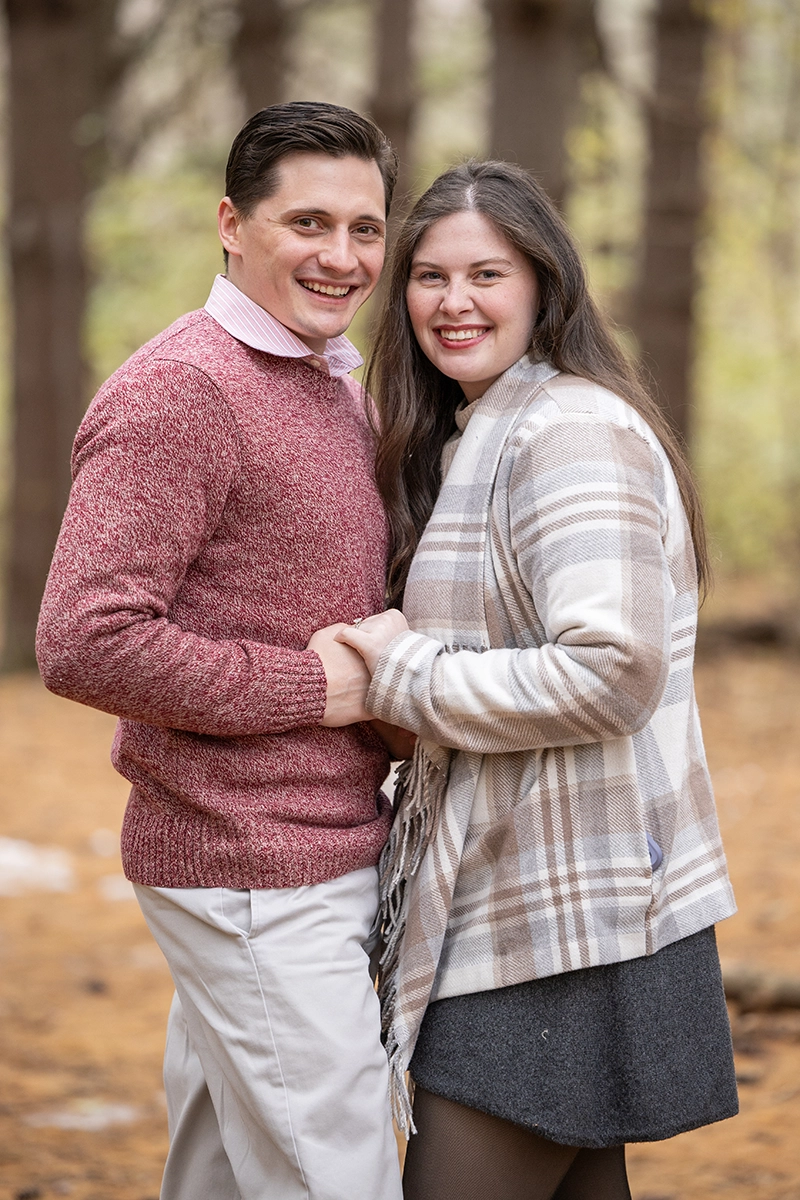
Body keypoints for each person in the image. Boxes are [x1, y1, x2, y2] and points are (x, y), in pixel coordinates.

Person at [334, 160, 739, 1200]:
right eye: (429, 276)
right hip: (537, 894)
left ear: (543, 285)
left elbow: (612, 673)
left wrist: (400, 674)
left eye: (487, 274)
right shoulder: (484, 432)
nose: (453, 302)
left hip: (566, 917)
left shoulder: (569, 432)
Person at [36, 102, 406, 1200]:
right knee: (338, 1178)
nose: (342, 256)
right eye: (308, 223)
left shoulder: (328, 380)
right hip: (251, 864)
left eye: (366, 228)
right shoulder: (182, 389)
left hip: (320, 843)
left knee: (225, 1179)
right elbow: (84, 639)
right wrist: (316, 688)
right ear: (232, 225)